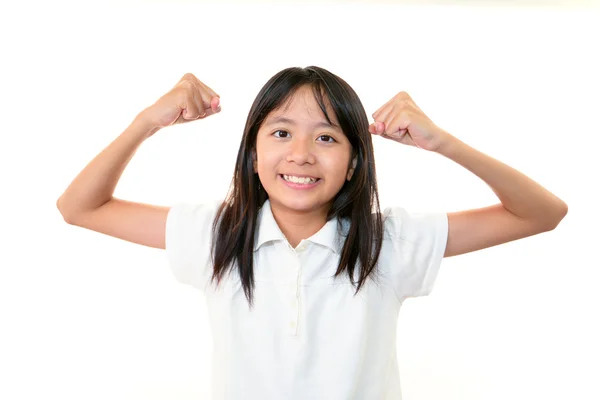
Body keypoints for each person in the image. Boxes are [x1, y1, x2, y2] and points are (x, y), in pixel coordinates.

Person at [56, 66, 568, 399]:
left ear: (352, 165)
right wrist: (148, 121)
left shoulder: (386, 242)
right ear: (254, 155)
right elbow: (79, 207)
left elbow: (541, 213)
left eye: (326, 137)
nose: (301, 154)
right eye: (281, 133)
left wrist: (444, 144)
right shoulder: (216, 235)